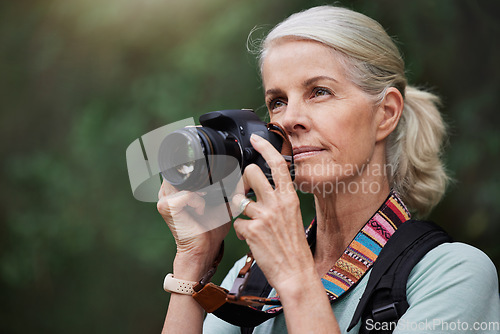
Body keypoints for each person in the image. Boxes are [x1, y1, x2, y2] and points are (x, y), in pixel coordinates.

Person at [157, 5, 500, 334]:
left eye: (319, 92)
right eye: (277, 101)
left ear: (386, 114)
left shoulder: (452, 274)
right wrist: (193, 262)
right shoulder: (249, 280)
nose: (289, 119)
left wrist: (295, 279)